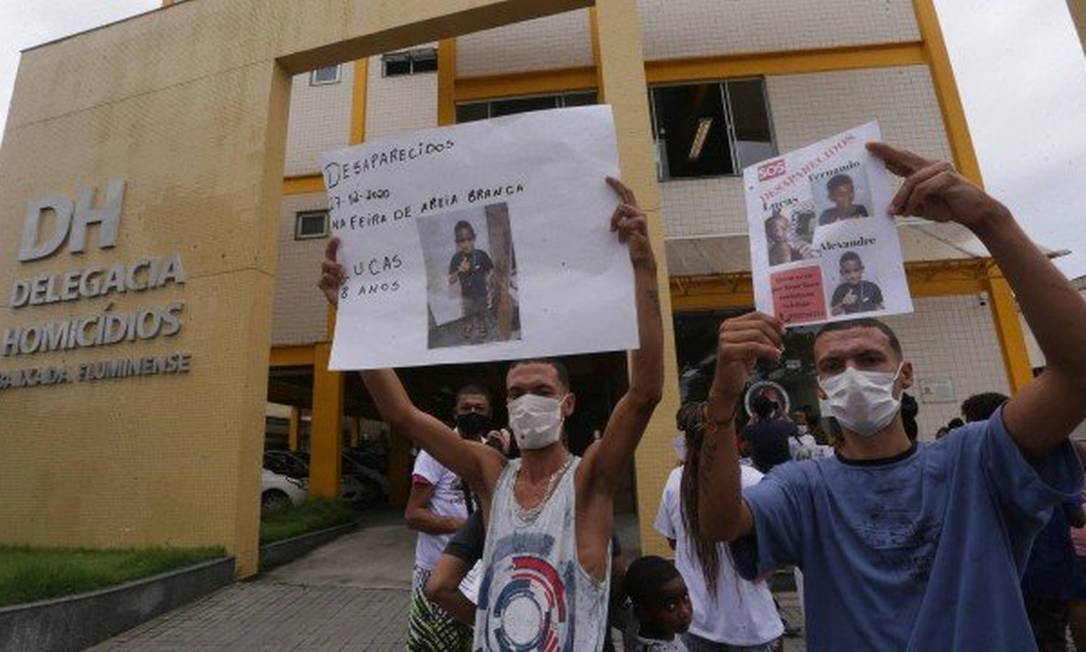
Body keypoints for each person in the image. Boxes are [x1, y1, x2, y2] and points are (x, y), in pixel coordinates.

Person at [696, 142, 1086, 650]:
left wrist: (991, 220)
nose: (852, 373)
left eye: (869, 358)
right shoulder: (804, 488)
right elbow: (720, 523)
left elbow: (1077, 372)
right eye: (833, 365)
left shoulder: (978, 461)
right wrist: (722, 401)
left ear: (904, 375)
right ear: (821, 388)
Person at [318, 176, 663, 650]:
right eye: (516, 392)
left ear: (567, 404)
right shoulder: (491, 474)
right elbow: (401, 415)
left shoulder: (592, 477)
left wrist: (644, 265)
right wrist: (352, 317)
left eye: (541, 390)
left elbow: (645, 392)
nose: (527, 400)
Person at [656, 403, 783, 652]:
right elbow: (778, 542)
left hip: (696, 621)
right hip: (753, 624)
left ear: (686, 439)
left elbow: (672, 540)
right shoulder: (753, 479)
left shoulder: (674, 481)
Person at [403, 383, 492, 650]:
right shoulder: (434, 452)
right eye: (466, 408)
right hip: (437, 571)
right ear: (455, 413)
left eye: (479, 409)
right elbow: (413, 514)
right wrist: (467, 529)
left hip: (479, 574)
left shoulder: (491, 454)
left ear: (489, 414)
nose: (472, 413)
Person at [622, 556, 693, 652]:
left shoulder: (633, 624)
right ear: (643, 612)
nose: (684, 612)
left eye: (685, 597)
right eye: (671, 606)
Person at [448, 220, 494, 340]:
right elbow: (451, 280)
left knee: (482, 311)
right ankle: (468, 325)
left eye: (469, 239)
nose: (466, 243)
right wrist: (459, 270)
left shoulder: (482, 254)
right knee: (467, 313)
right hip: (466, 295)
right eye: (462, 240)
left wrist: (488, 284)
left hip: (482, 293)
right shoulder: (456, 258)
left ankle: (482, 324)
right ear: (457, 242)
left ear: (474, 238)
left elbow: (490, 269)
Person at [740, 395, 795, 473]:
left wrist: (754, 415)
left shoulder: (751, 430)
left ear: (755, 411)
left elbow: (745, 431)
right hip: (785, 471)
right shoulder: (782, 425)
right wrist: (782, 412)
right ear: (771, 409)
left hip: (764, 472)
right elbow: (794, 427)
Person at [829, 251, 884, 316]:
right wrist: (843, 303)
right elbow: (833, 313)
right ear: (842, 273)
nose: (853, 275)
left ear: (862, 269)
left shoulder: (872, 287)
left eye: (856, 270)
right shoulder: (840, 290)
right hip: (851, 322)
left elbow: (881, 308)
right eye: (847, 272)